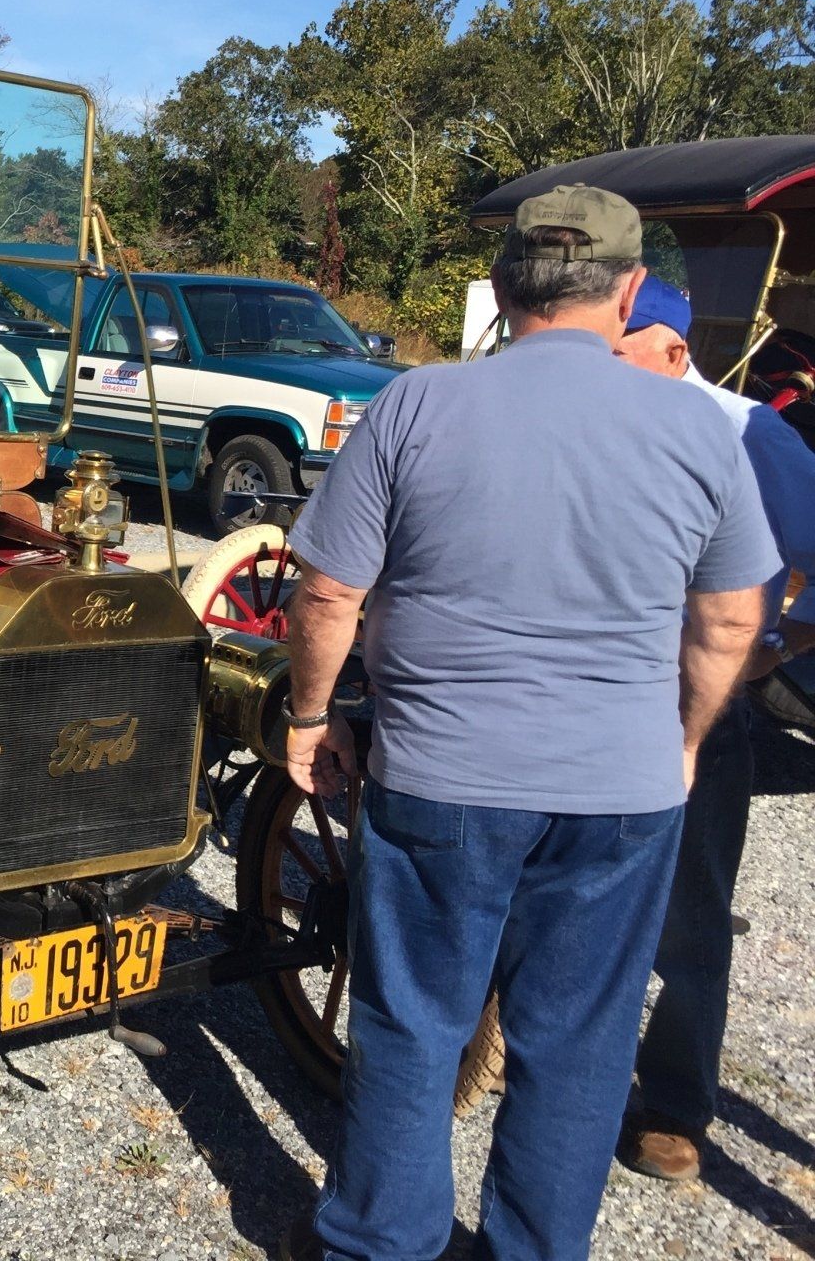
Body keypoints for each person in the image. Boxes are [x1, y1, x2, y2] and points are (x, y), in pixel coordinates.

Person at [281, 185, 778, 1261]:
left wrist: (309, 718)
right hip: (622, 791)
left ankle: (380, 1243)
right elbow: (735, 612)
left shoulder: (416, 405)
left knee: (414, 1027)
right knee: (580, 1043)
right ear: (633, 289)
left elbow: (325, 594)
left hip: (442, 778)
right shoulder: (699, 426)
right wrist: (684, 740)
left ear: (507, 287)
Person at [613, 277, 815, 1180]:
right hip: (592, 697)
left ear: (671, 348)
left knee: (691, 917)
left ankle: (677, 1103)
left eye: (615, 347)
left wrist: (761, 659)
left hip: (699, 701)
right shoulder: (592, 420)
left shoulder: (749, 433)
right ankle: (541, 1058)